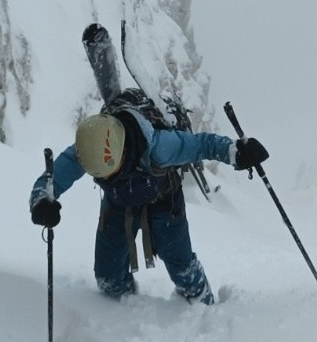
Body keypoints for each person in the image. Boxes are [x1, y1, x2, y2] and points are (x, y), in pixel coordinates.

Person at [29, 96, 267, 305]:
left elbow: (200, 145)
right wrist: (42, 201)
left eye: (108, 173)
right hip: (119, 204)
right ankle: (119, 309)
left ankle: (202, 302)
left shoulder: (158, 146)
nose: (105, 177)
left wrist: (235, 152)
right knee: (108, 276)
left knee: (181, 265)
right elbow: (53, 178)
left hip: (165, 201)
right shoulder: (90, 147)